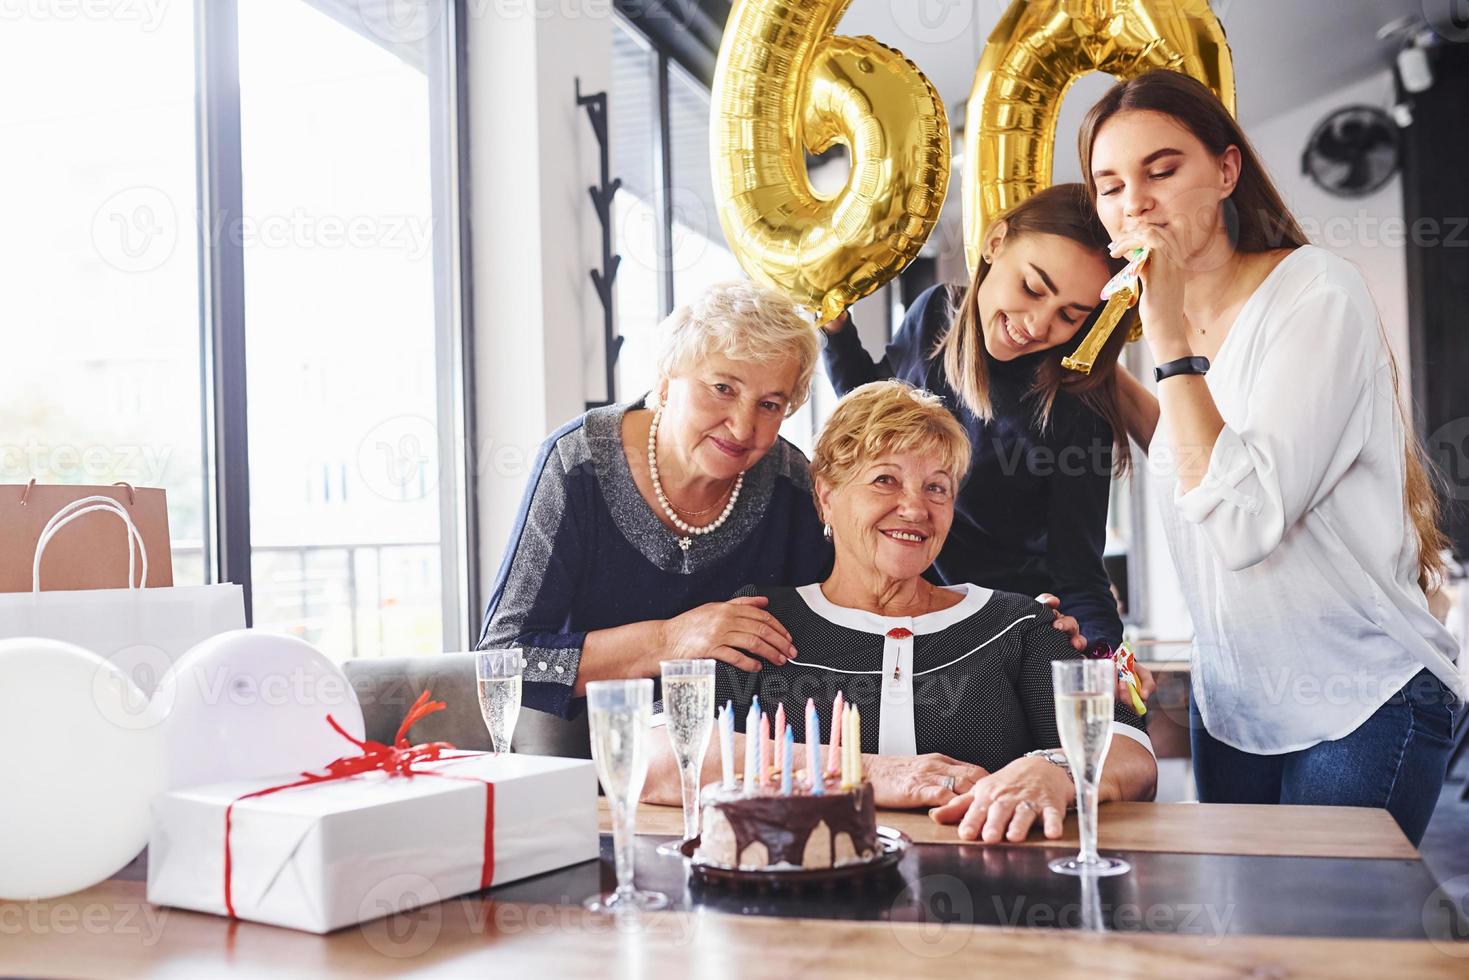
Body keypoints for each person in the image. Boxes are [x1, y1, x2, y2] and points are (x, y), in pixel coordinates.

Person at [1082, 69, 1463, 844]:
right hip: (1232, 705)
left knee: (1333, 955)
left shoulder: (1314, 292)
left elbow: (1242, 522)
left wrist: (1166, 343)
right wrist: (1107, 378)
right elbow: (1195, 464)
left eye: (1162, 170)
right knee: (1248, 959)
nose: (1137, 203)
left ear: (1225, 171)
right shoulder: (1169, 334)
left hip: (1360, 696)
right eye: (1110, 185)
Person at [645, 381, 1157, 841]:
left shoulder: (1017, 624)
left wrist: (1055, 769)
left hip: (988, 915)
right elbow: (661, 759)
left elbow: (1130, 753)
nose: (915, 508)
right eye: (885, 480)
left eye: (936, 487)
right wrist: (872, 773)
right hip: (802, 913)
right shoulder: (762, 620)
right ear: (826, 495)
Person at [477, 282, 829, 728]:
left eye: (769, 404)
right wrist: (669, 639)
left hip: (747, 761)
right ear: (665, 382)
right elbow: (502, 664)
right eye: (722, 388)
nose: (743, 427)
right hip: (597, 759)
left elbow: (839, 633)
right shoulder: (578, 463)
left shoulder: (791, 482)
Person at [822, 184, 1144, 664]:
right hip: (903, 618)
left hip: (1002, 640)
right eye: (1032, 288)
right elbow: (871, 405)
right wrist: (834, 329)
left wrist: (1105, 663)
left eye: (1069, 316)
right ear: (995, 243)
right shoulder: (933, 313)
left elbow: (1080, 576)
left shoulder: (1076, 409)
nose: (1036, 325)